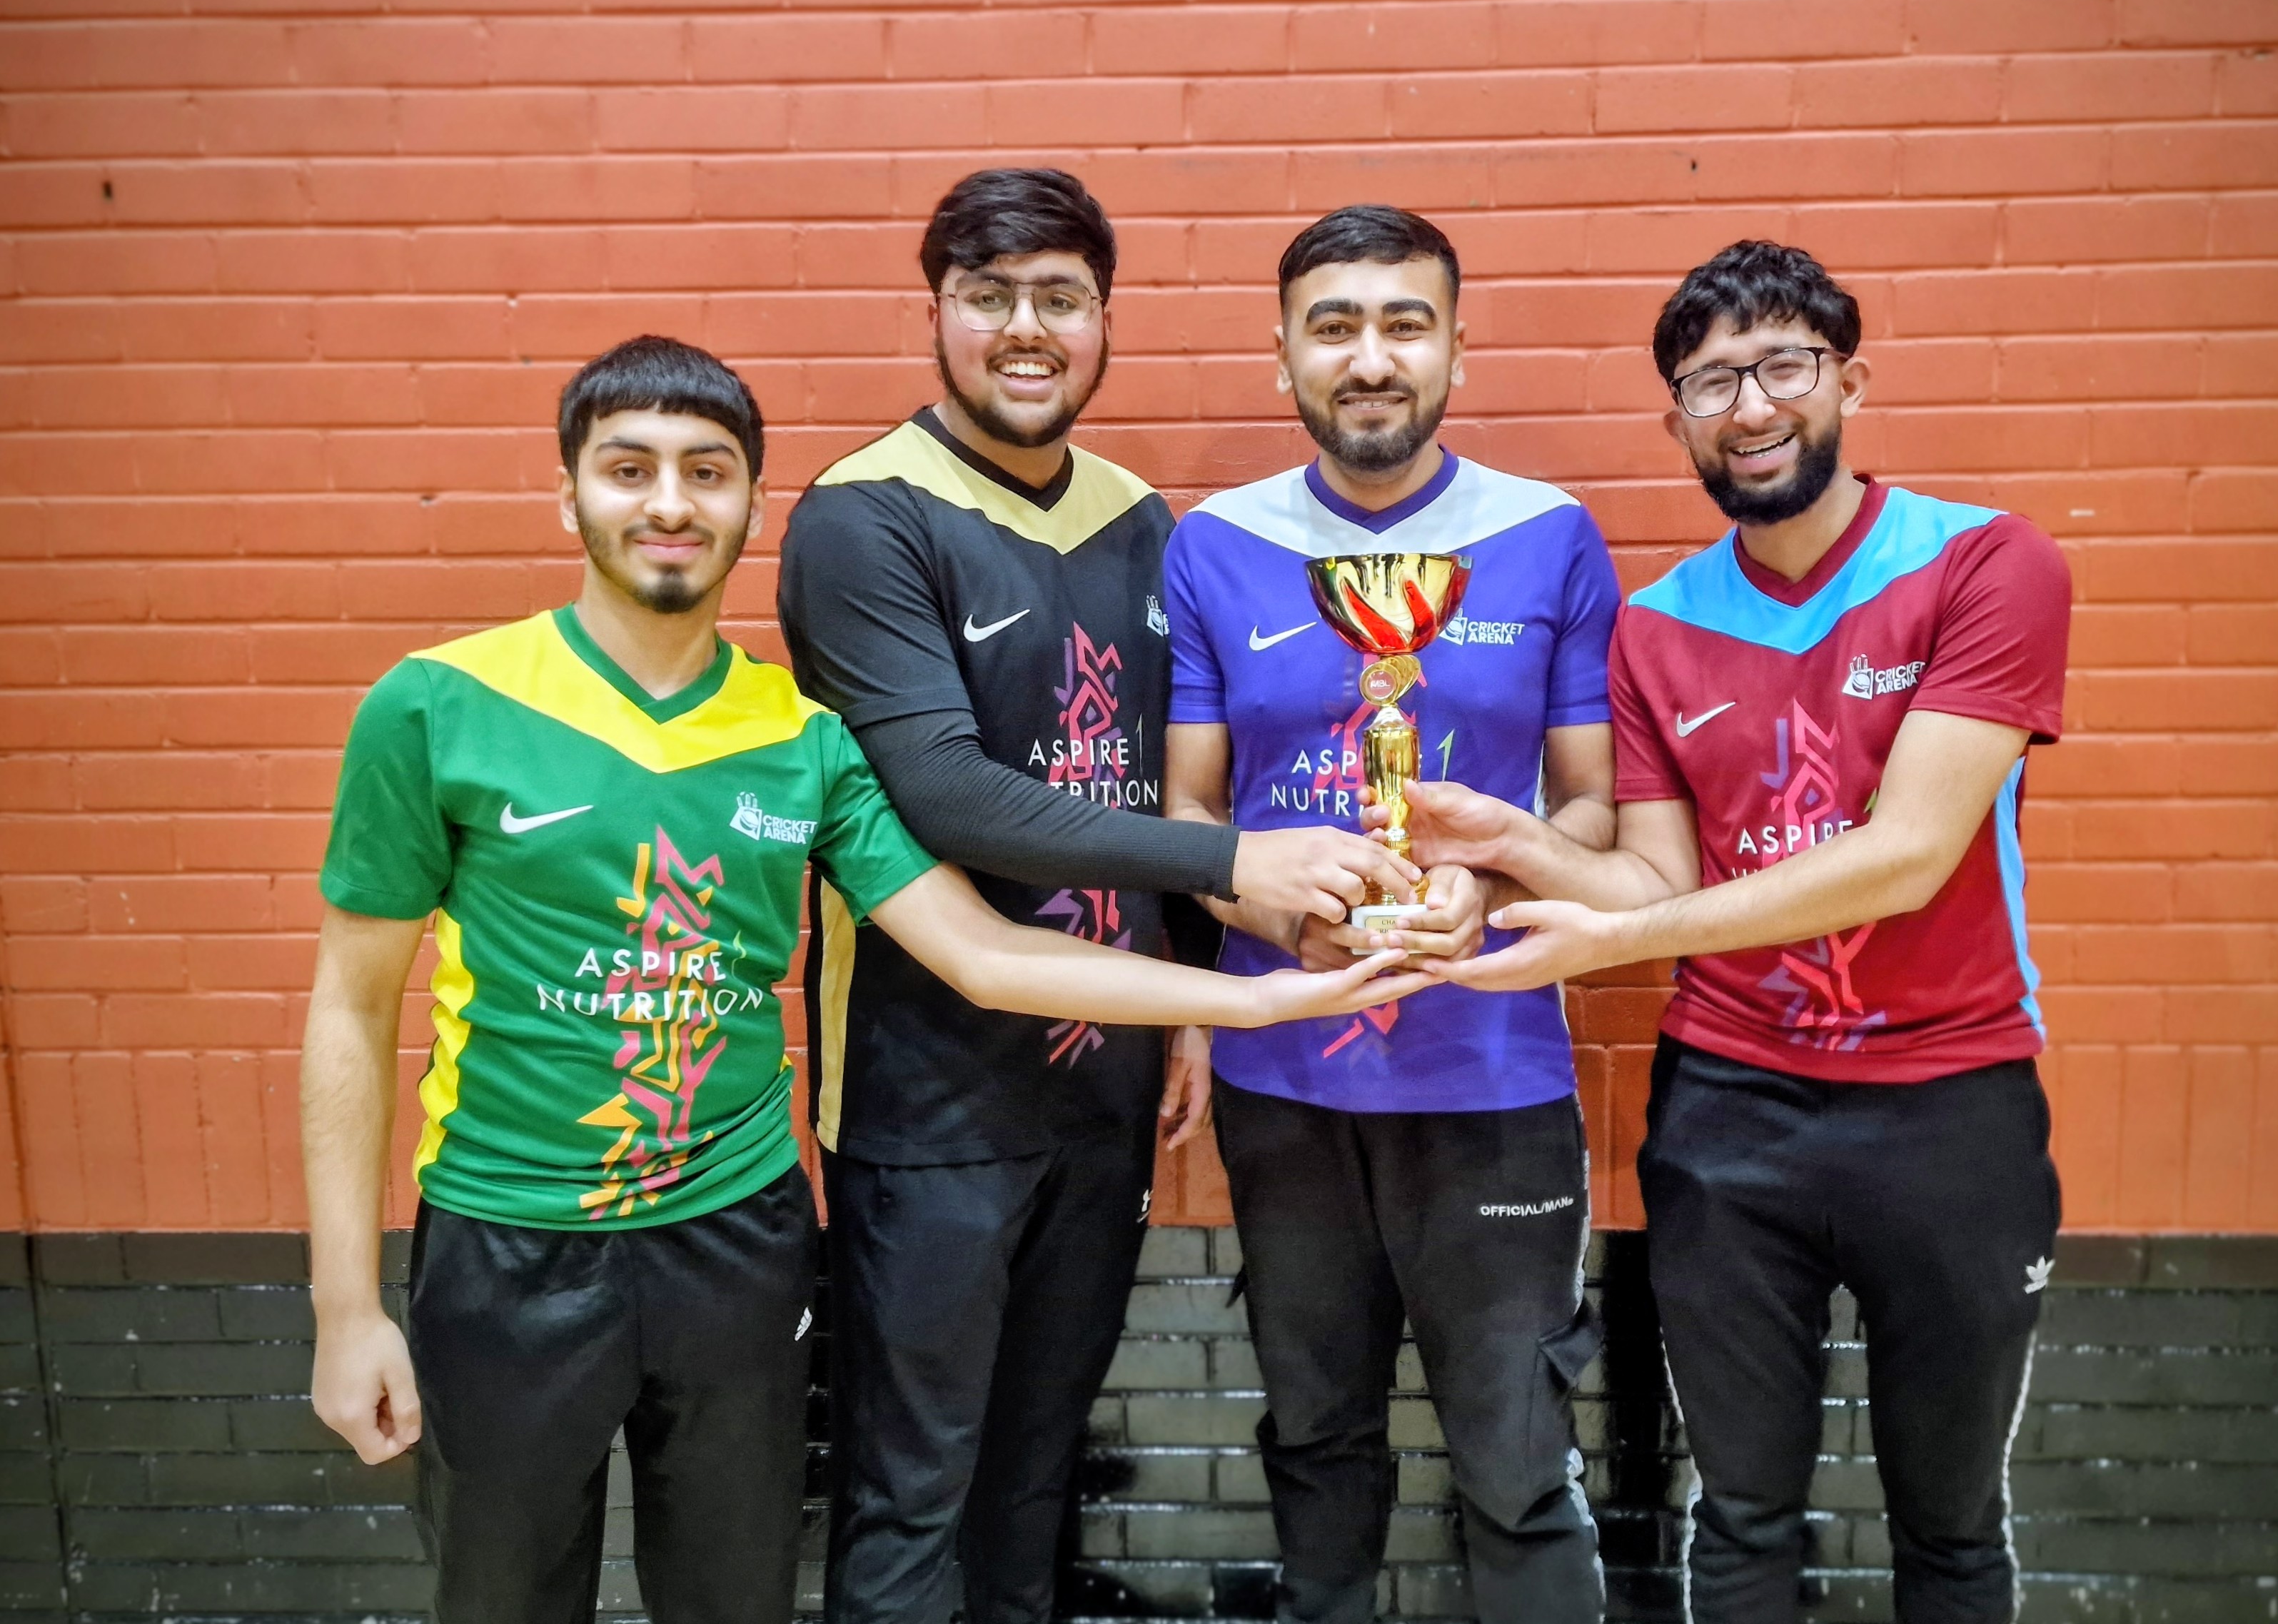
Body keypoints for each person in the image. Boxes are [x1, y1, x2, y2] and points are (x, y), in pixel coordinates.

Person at [301, 334, 1421, 1624]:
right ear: (568, 496)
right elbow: (349, 1007)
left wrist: (1266, 995)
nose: (669, 504)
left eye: (706, 473)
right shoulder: (438, 705)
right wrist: (344, 1307)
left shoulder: (807, 742)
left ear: (752, 507)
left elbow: (986, 955)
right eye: (628, 470)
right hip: (507, 1247)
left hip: (737, 1244)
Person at [777, 170, 1411, 1624]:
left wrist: (1188, 1003)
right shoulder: (863, 519)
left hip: (1105, 1088)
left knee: (1032, 1484)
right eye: (987, 296)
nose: (1024, 329)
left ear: (1101, 319)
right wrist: (1234, 869)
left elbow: (1152, 776)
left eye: (1058, 298)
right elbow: (948, 796)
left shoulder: (1140, 523)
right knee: (906, 1497)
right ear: (936, 312)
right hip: (925, 1101)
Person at [1413, 241, 2072, 1623]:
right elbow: (1652, 886)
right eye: (1709, 383)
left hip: (1948, 1109)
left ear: (1846, 379)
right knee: (1743, 1521)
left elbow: (1900, 859)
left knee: (1949, 1530)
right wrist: (1513, 843)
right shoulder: (1653, 629)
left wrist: (1596, 948)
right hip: (1727, 1112)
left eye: (1781, 365)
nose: (1750, 408)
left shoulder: (1986, 564)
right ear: (1676, 422)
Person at [1161, 204, 1623, 1624]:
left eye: (1403, 323)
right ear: (1284, 354)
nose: (1370, 357)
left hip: (1492, 1075)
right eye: (1335, 325)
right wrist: (1270, 899)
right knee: (1314, 1448)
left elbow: (1592, 809)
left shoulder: (1545, 539)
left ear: (1455, 353)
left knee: (1514, 1464)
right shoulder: (1213, 545)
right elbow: (1184, 814)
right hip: (1282, 1073)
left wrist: (1484, 886)